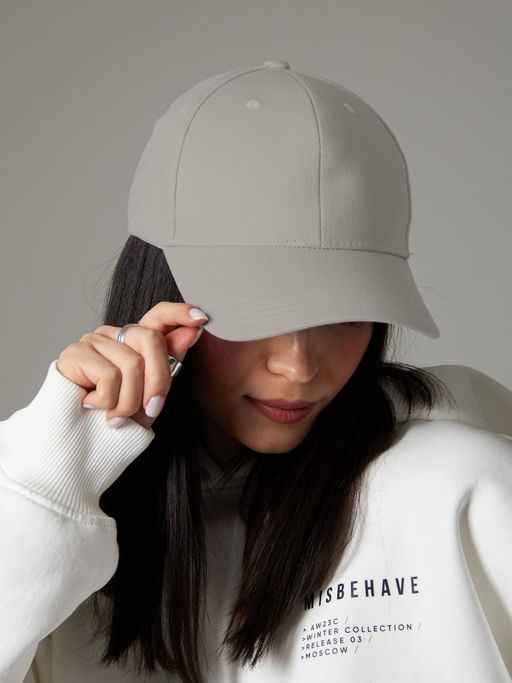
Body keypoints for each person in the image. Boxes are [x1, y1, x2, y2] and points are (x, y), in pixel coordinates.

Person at [0, 59, 511, 683]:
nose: (298, 366)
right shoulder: (62, 534)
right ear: (160, 295)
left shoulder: (464, 487)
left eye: (347, 314)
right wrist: (39, 486)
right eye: (253, 310)